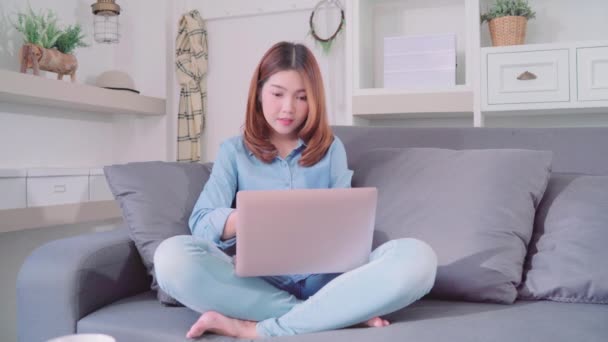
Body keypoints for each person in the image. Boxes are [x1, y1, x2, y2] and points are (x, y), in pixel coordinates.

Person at [154, 41, 438, 339]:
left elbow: (347, 224)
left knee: (418, 258)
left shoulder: (331, 150)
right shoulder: (233, 152)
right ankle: (334, 313)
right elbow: (201, 223)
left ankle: (257, 329)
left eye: (302, 97)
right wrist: (246, 219)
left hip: (328, 280)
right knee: (171, 258)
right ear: (259, 92)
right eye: (277, 94)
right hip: (256, 284)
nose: (288, 108)